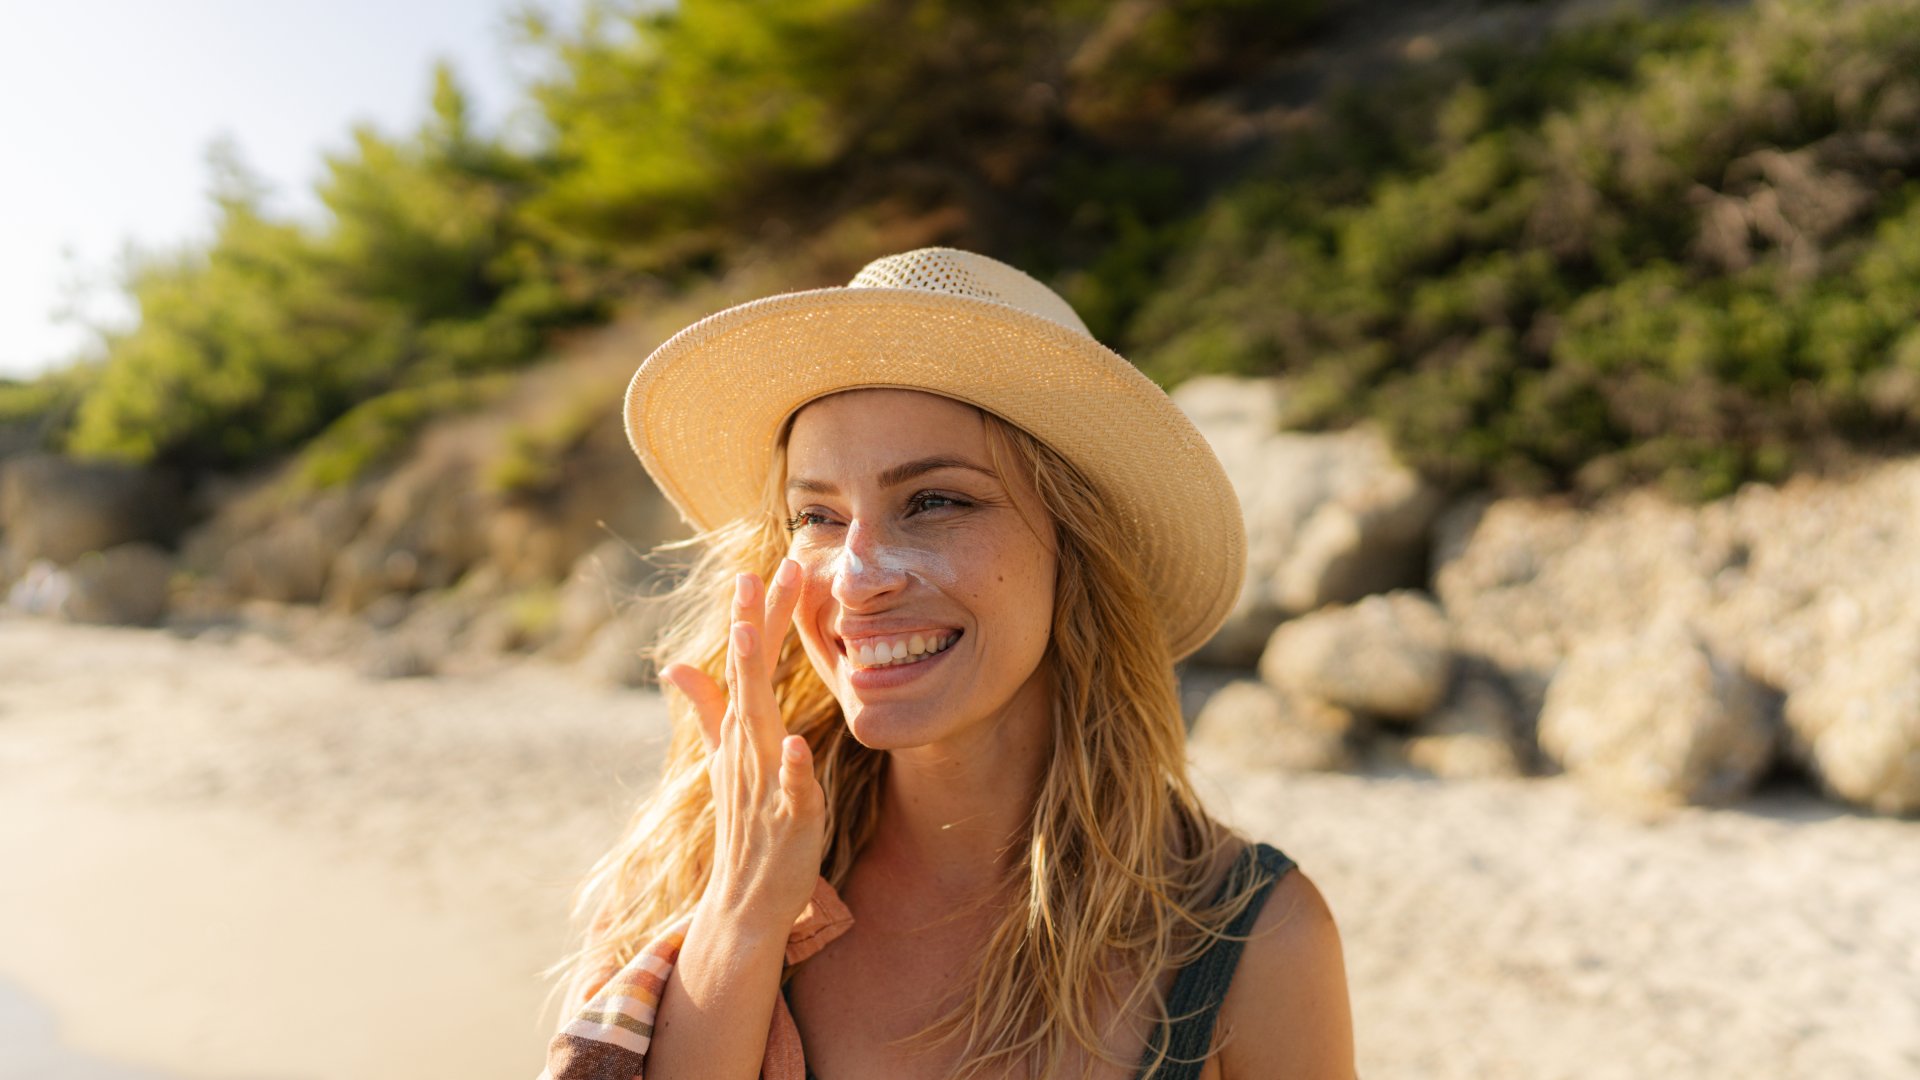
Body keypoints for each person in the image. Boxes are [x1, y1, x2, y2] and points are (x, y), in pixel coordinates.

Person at [540, 248, 1356, 1079]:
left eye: (935, 501)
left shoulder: (1249, 936)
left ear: (1076, 551)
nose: (855, 581)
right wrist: (743, 915)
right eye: (817, 516)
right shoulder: (687, 873)